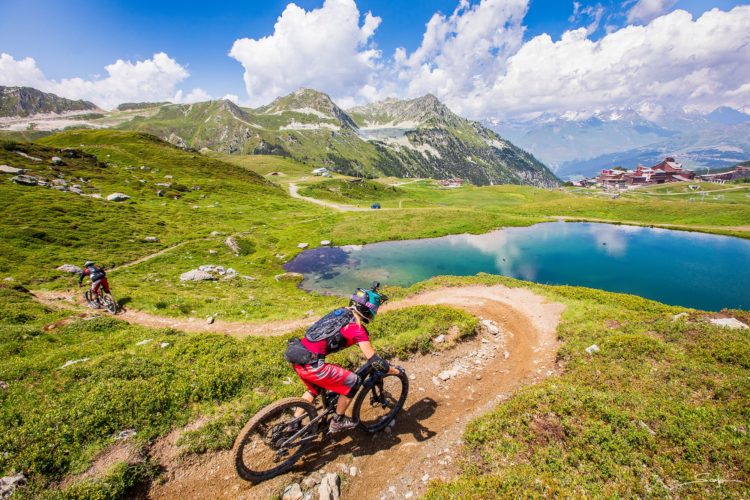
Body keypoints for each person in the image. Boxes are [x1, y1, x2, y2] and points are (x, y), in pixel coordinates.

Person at [288, 284, 400, 433]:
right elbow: (375, 361)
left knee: (314, 389)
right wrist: (394, 370)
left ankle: (292, 425)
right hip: (313, 366)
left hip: (297, 356)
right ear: (369, 310)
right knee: (354, 381)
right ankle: (337, 421)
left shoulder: (339, 312)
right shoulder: (357, 329)